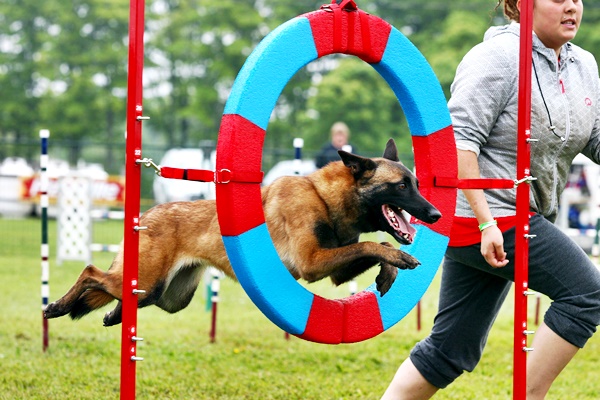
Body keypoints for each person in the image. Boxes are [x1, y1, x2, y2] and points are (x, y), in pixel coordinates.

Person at [381, 0, 600, 399]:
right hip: (481, 215)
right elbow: (458, 146)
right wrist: (486, 223)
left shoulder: (584, 64)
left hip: (518, 215)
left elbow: (595, 139)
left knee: (450, 349)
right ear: (520, 4)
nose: (572, 7)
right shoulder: (495, 58)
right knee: (587, 293)